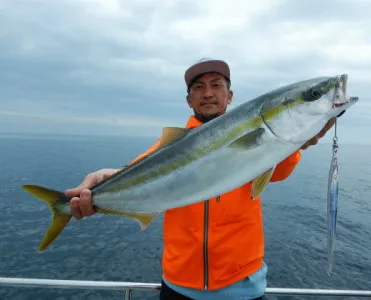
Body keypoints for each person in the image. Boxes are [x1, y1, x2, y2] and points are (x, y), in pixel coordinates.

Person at [66, 58, 336, 300]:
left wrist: (296, 144)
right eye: (198, 87)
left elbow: (279, 172)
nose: (208, 93)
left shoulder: (260, 139)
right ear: (189, 100)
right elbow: (138, 171)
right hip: (179, 285)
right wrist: (104, 185)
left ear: (229, 96)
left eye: (216, 85)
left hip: (242, 285)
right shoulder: (169, 145)